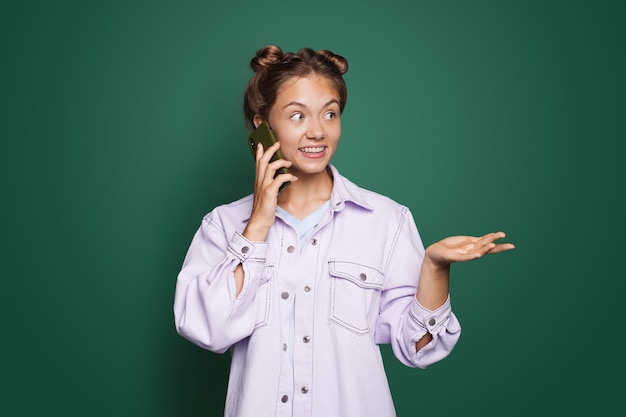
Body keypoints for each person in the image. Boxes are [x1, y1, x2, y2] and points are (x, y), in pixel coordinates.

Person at [173, 45, 514, 417]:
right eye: (297, 116)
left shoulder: (386, 220)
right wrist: (257, 225)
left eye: (330, 114)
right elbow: (205, 328)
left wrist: (434, 267)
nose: (317, 131)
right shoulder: (224, 225)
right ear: (263, 126)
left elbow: (419, 347)